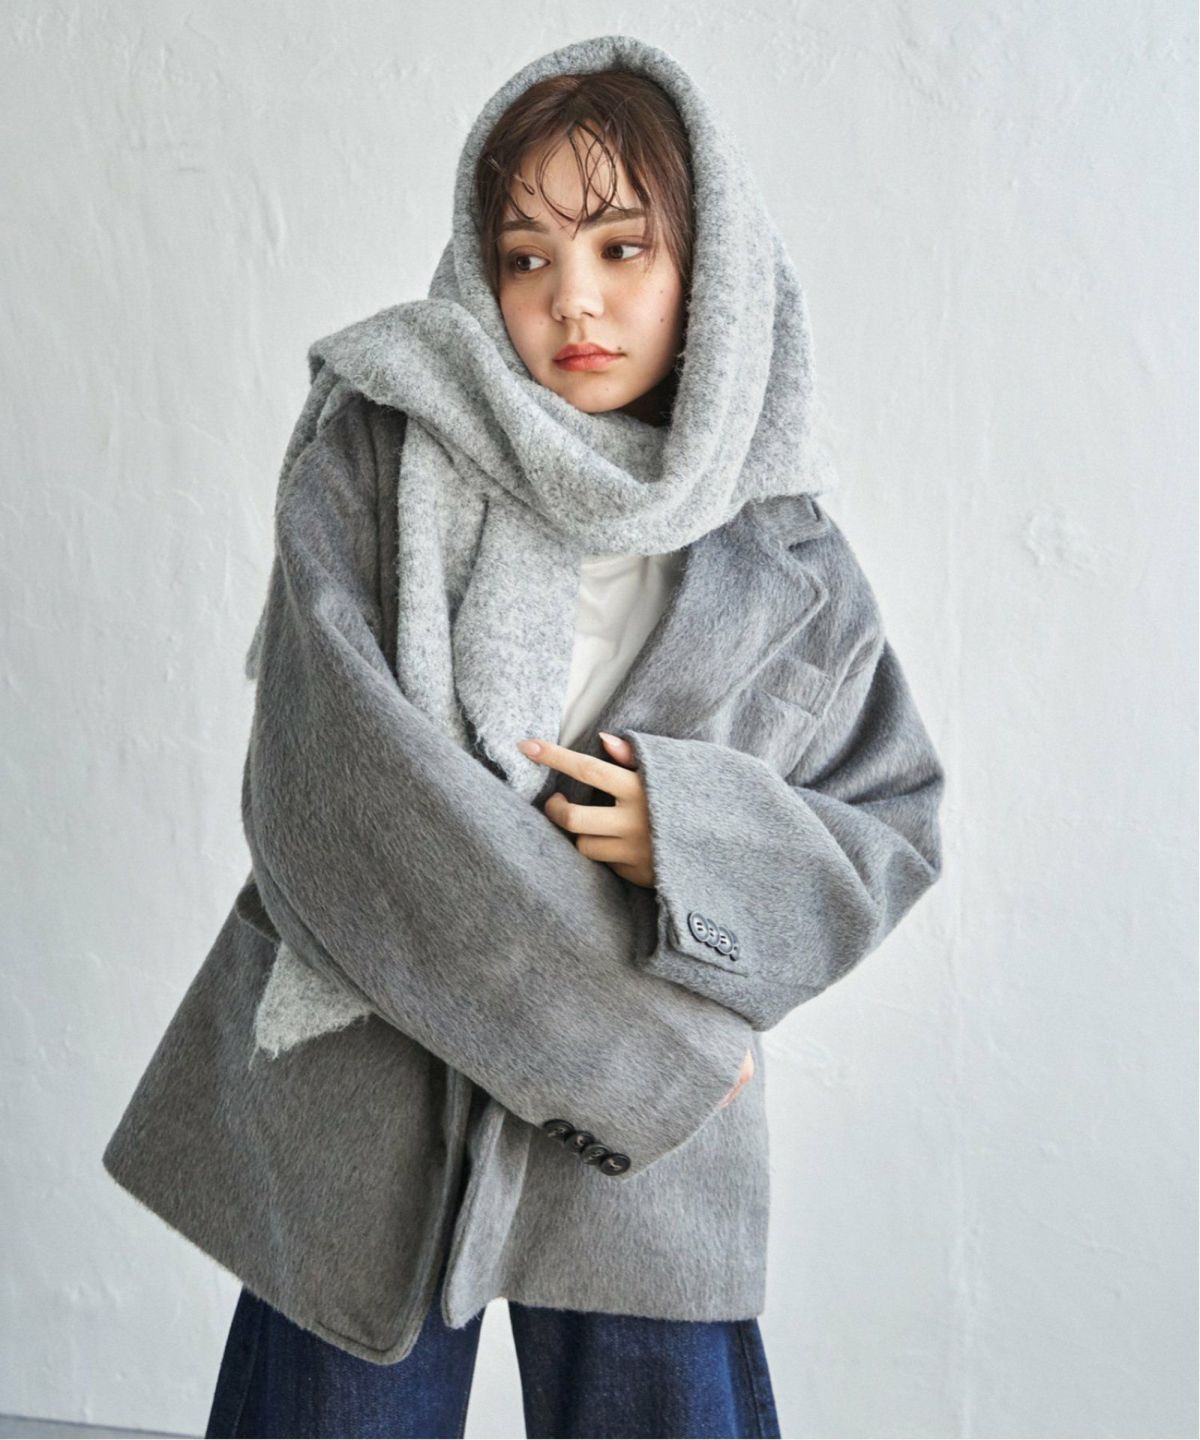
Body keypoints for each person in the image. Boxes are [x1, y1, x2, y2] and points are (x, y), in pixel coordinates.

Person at [103, 34, 944, 1440]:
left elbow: (891, 824)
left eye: (623, 247)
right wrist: (645, 1052)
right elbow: (330, 789)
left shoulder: (790, 560)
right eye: (526, 256)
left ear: (711, 267)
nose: (574, 299)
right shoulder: (378, 445)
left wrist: (694, 834)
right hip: (384, 1084)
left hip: (645, 1177)